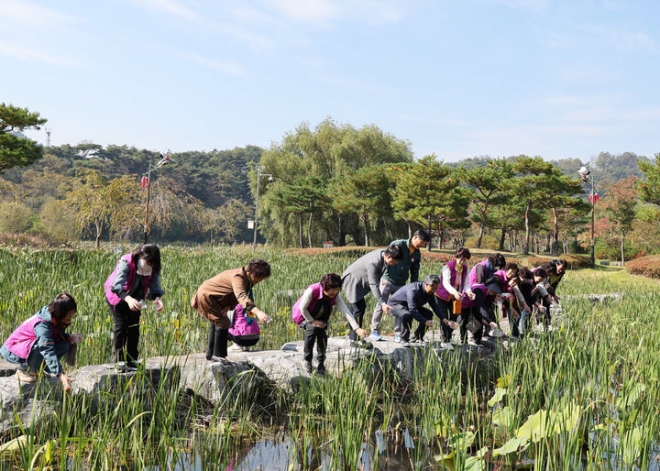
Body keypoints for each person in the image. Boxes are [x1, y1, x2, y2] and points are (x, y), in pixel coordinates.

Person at [191, 259, 271, 363]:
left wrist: (229, 306)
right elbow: (241, 296)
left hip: (216, 299)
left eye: (262, 278)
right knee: (223, 322)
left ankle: (210, 354)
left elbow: (234, 294)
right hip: (208, 296)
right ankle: (218, 355)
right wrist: (258, 312)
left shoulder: (248, 278)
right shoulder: (239, 277)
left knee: (217, 322)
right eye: (258, 278)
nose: (259, 280)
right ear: (251, 273)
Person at [1, 293, 80, 393]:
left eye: (72, 313)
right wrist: (60, 374)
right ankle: (23, 371)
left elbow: (53, 336)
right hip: (13, 348)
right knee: (40, 345)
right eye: (69, 314)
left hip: (27, 346)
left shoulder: (55, 317)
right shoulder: (42, 324)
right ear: (60, 312)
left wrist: (67, 337)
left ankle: (37, 370)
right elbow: (46, 348)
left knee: (64, 345)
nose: (71, 316)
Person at [104, 244, 164, 373]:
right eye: (146, 261)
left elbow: (154, 285)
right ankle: (119, 361)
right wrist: (128, 299)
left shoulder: (153, 267)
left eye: (151, 263)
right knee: (121, 327)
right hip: (118, 296)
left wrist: (157, 298)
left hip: (137, 298)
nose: (148, 265)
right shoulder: (126, 262)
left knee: (134, 328)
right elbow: (117, 285)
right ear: (140, 256)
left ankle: (132, 360)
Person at [292, 273, 367, 375]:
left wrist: (356, 328)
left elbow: (345, 311)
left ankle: (320, 362)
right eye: (332, 290)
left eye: (337, 289)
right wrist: (312, 321)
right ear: (324, 287)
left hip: (319, 318)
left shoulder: (335, 295)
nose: (334, 292)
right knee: (313, 329)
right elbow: (302, 308)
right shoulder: (312, 290)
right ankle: (306, 359)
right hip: (303, 316)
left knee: (322, 333)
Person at [370, 229, 430, 342]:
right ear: (415, 237)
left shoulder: (417, 253)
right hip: (387, 280)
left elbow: (415, 270)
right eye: (422, 242)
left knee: (400, 308)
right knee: (381, 304)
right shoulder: (398, 244)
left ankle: (398, 334)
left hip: (401, 283)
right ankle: (374, 330)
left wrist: (413, 285)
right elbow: (386, 258)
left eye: (424, 244)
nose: (422, 245)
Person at [341, 244, 403, 348]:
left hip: (358, 280)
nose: (395, 264)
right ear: (388, 257)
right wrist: (382, 303)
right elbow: (374, 284)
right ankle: (354, 339)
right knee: (358, 309)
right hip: (353, 280)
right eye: (394, 262)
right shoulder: (374, 262)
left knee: (356, 308)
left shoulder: (384, 254)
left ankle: (354, 337)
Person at [434, 247, 475, 350]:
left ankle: (448, 335)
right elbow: (446, 283)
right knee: (444, 316)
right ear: (456, 257)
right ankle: (444, 340)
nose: (462, 262)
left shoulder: (465, 268)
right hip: (442, 295)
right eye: (460, 259)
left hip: (455, 296)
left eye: (465, 260)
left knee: (455, 316)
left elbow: (466, 284)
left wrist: (469, 292)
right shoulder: (447, 267)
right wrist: (455, 292)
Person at [385, 274, 442, 347]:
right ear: (427, 284)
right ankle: (403, 339)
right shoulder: (414, 290)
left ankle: (417, 336)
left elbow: (436, 307)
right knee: (407, 315)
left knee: (428, 314)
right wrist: (425, 321)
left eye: (436, 289)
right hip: (394, 305)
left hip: (408, 306)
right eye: (433, 288)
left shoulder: (430, 293)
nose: (434, 291)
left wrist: (444, 319)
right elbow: (412, 310)